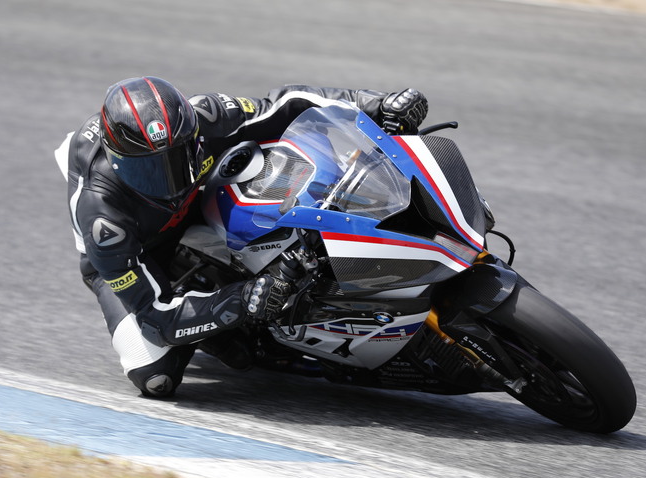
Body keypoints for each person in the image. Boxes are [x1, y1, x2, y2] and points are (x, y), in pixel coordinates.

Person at [54, 77, 428, 398]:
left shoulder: (204, 114)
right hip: (140, 253)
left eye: (177, 158)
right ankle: (221, 329)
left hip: (199, 200)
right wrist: (243, 299)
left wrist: (375, 104)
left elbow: (285, 104)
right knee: (156, 375)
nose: (168, 181)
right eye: (150, 172)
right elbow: (156, 317)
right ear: (118, 164)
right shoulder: (103, 219)